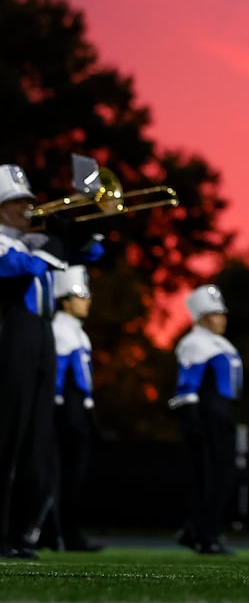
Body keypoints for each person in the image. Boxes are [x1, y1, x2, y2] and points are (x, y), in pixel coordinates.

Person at [0, 163, 101, 559]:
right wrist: (56, 244)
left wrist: (79, 223)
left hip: (40, 337)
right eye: (16, 202)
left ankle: (22, 530)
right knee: (7, 437)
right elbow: (16, 270)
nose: (28, 207)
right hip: (12, 336)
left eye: (29, 200)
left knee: (36, 443)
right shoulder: (7, 244)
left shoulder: (33, 242)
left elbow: (91, 252)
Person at [169, 284, 243, 556]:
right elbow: (187, 385)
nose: (221, 318)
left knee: (223, 476)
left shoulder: (219, 342)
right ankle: (205, 535)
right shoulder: (194, 343)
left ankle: (195, 529)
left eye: (222, 313)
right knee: (210, 477)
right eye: (214, 313)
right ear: (200, 317)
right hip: (207, 415)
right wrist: (192, 419)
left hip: (223, 413)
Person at [49, 265, 103, 552]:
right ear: (65, 300)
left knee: (75, 475)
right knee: (63, 474)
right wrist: (58, 403)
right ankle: (58, 532)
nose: (87, 300)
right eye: (80, 295)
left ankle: (68, 532)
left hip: (78, 409)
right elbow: (58, 373)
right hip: (65, 410)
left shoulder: (77, 332)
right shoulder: (61, 329)